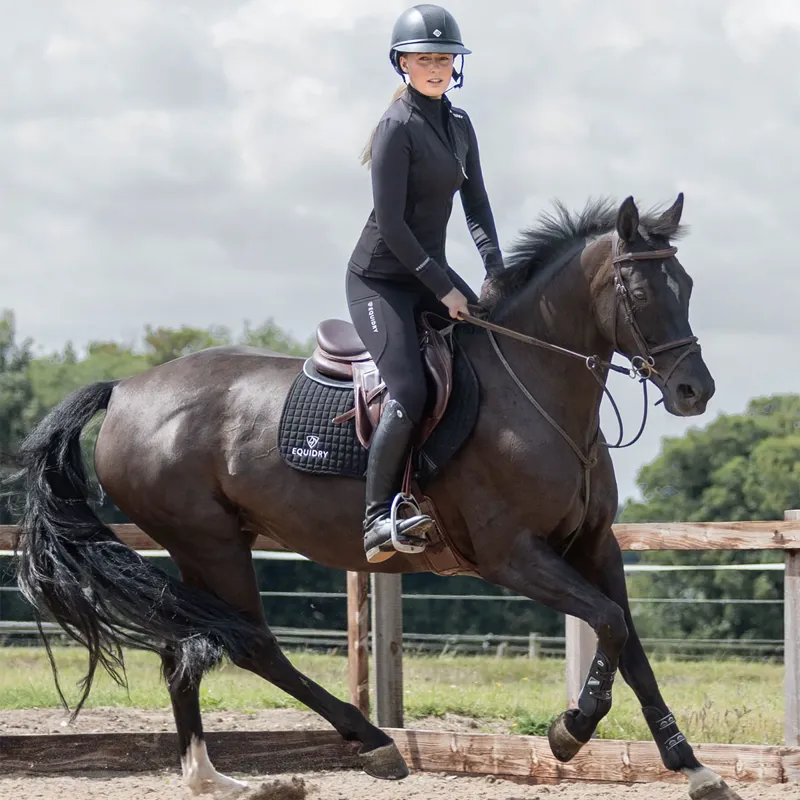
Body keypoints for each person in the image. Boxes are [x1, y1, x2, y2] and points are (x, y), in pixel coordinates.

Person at [346, 3, 504, 563]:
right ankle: (373, 519)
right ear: (402, 64)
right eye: (424, 59)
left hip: (426, 274)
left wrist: (494, 269)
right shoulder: (396, 128)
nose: (435, 67)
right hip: (381, 281)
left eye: (444, 58)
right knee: (410, 391)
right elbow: (391, 226)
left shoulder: (459, 126)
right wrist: (445, 289)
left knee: (492, 347)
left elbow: (478, 204)